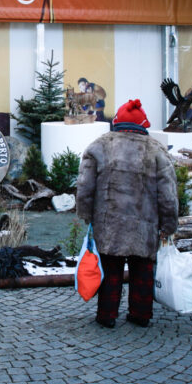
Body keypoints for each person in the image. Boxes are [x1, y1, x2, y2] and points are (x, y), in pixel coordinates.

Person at [75, 99, 178, 329]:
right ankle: (141, 314)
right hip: (145, 226)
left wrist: (86, 215)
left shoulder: (98, 146)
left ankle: (106, 315)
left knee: (110, 269)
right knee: (142, 270)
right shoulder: (156, 150)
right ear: (143, 124)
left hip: (109, 225)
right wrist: (169, 225)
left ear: (117, 122)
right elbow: (168, 195)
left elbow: (84, 187)